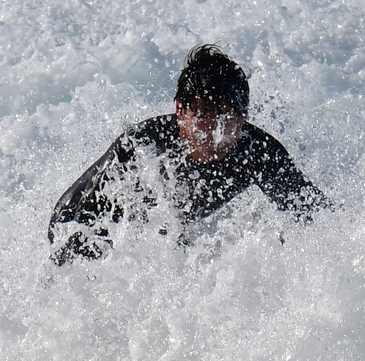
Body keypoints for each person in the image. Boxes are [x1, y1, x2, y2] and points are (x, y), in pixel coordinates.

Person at [47, 45, 328, 264]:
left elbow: (320, 220)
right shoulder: (143, 147)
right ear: (181, 110)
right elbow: (73, 222)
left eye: (227, 115)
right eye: (203, 113)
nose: (215, 129)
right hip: (102, 227)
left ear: (243, 118)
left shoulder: (259, 153)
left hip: (172, 237)